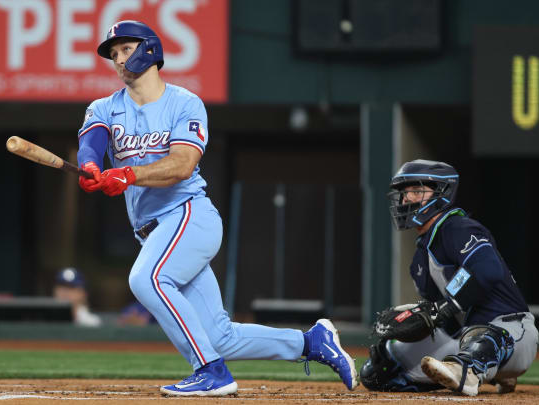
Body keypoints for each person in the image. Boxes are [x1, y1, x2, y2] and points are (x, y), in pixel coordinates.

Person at [76, 20, 358, 397]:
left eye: (125, 49)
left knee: (147, 280)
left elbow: (181, 165)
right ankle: (311, 343)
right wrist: (92, 167)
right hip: (155, 232)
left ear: (150, 49)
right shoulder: (105, 107)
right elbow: (91, 146)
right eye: (113, 54)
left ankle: (210, 370)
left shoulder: (184, 102)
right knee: (220, 336)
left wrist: (126, 174)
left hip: (189, 215)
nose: (119, 59)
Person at [359, 159, 538, 396]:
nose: (406, 199)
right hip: (465, 337)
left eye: (416, 190)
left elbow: (488, 269)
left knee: (483, 336)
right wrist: (419, 319)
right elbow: (446, 320)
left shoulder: (458, 228)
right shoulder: (419, 262)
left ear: (441, 193)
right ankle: (474, 368)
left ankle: (472, 370)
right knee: (379, 372)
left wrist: (444, 307)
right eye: (404, 193)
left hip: (512, 330)